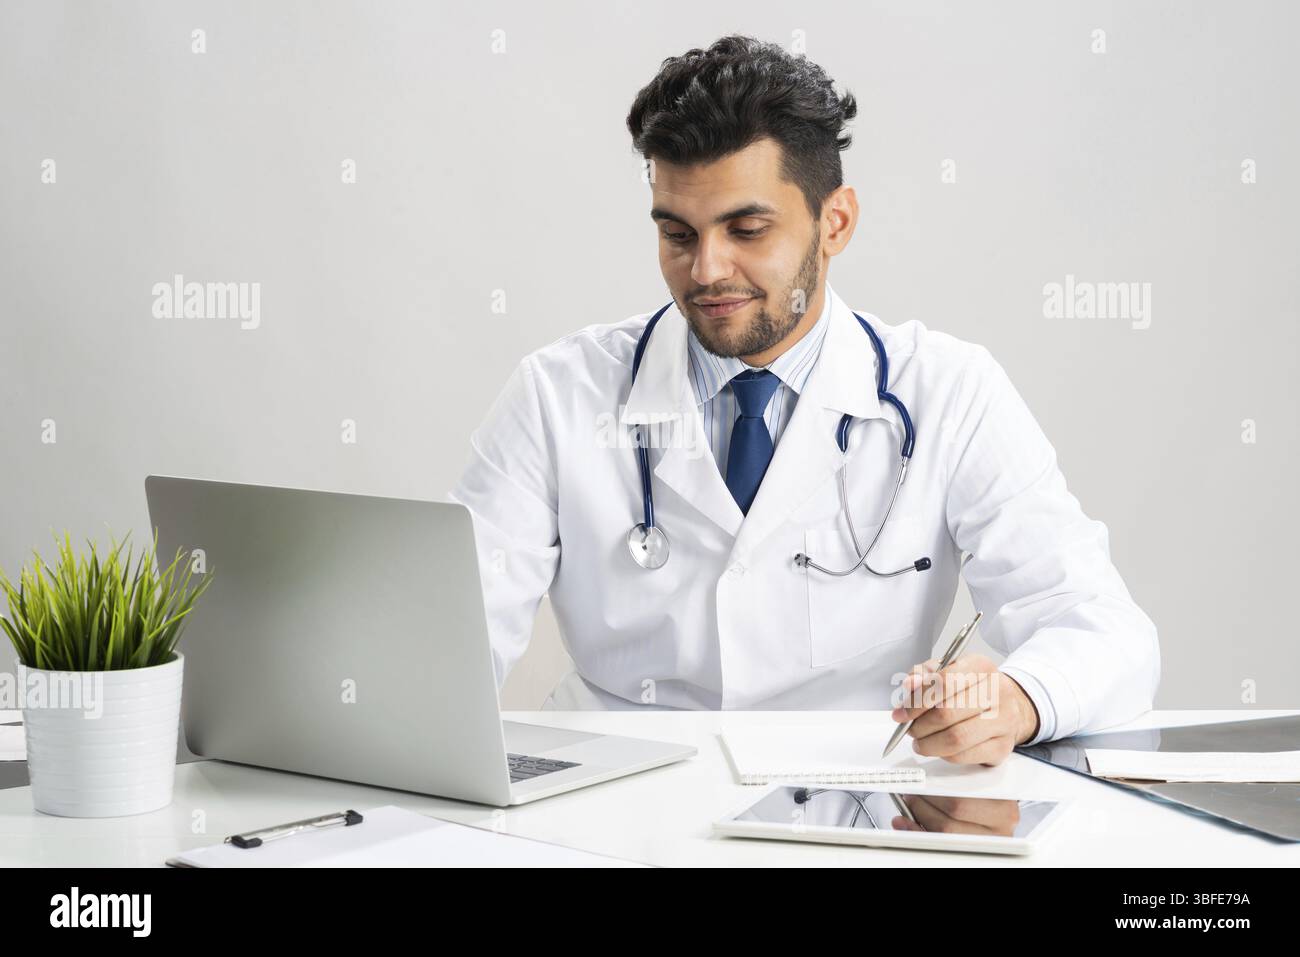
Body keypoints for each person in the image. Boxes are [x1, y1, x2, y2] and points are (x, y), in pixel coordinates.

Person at [450, 35, 1159, 766]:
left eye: (747, 229)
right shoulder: (557, 395)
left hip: (851, 798)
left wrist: (1013, 699)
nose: (707, 269)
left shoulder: (949, 393)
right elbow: (446, 645)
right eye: (678, 234)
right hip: (609, 792)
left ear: (835, 222)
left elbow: (1104, 628)